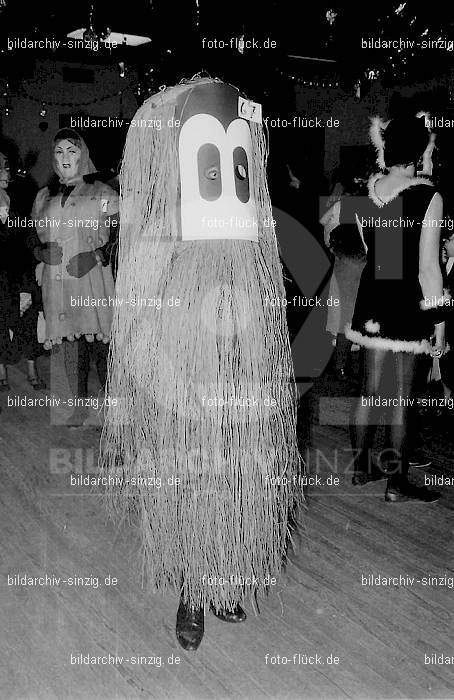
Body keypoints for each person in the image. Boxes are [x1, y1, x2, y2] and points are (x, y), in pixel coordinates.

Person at [99, 77, 303, 652]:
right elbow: (138, 307)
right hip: (181, 372)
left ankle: (224, 569)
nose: (227, 169)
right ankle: (191, 584)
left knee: (238, 462)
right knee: (190, 464)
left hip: (240, 369)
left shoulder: (254, 240)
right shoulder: (163, 234)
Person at [345, 113, 446, 502]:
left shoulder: (370, 191)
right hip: (406, 304)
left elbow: (373, 253)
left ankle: (360, 470)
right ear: (419, 152)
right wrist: (439, 320)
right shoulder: (427, 197)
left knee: (370, 393)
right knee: (403, 399)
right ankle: (396, 484)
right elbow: (427, 268)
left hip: (372, 300)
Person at [29, 129, 118, 425]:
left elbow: (123, 232)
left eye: (72, 150)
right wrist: (41, 253)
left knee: (101, 345)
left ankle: (114, 412)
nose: (65, 157)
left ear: (84, 155)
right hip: (59, 283)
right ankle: (76, 407)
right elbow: (30, 236)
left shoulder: (102, 192)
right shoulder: (45, 195)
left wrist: (95, 256)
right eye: (59, 151)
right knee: (69, 345)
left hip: (92, 279)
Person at [0, 151, 45, 390]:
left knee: (28, 320)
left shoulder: (19, 196)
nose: (7, 172)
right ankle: (1, 370)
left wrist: (39, 252)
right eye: (2, 168)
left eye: (7, 167)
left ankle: (31, 368)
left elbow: (29, 232)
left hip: (21, 274)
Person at [321, 172, 367, 378]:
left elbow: (324, 221)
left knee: (345, 318)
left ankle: (341, 366)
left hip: (345, 263)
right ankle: (352, 367)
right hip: (360, 263)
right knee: (357, 317)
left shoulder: (343, 204)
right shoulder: (371, 204)